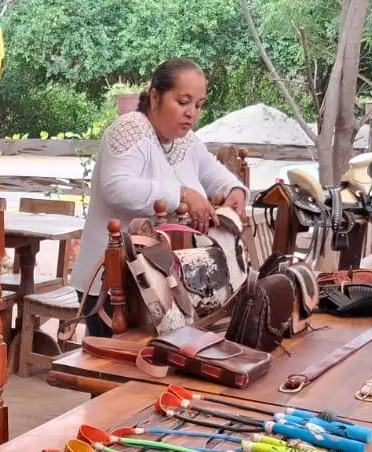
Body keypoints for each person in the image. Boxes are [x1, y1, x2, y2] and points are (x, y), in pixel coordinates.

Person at [71, 57, 247, 336]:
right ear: (155, 96)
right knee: (117, 371)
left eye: (199, 105)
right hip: (113, 284)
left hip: (164, 282)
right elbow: (117, 187)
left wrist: (234, 190)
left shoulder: (187, 141)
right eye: (183, 101)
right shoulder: (129, 129)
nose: (191, 113)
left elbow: (213, 172)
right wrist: (182, 194)